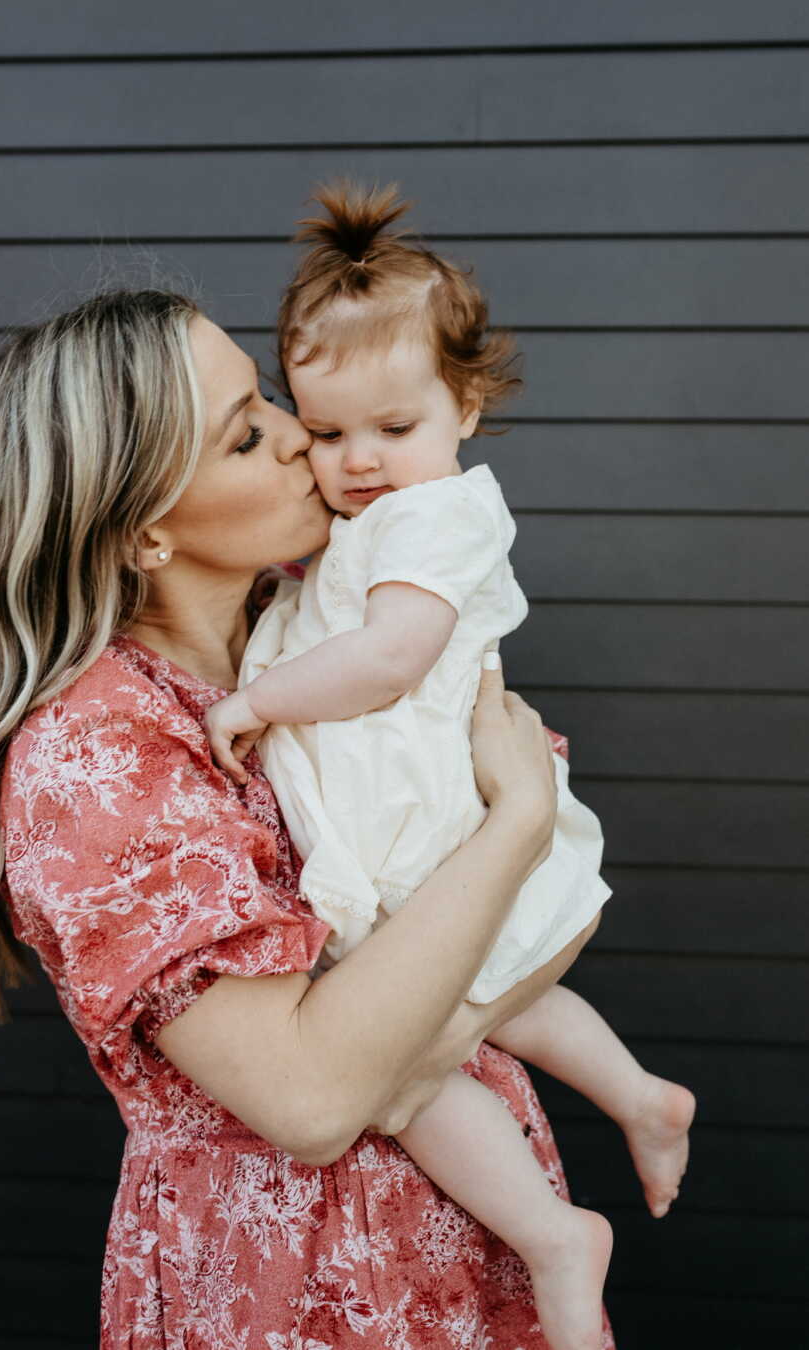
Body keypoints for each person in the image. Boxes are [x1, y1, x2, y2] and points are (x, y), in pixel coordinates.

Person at [0, 286, 614, 1349]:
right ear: (145, 528)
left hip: (479, 1245)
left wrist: (515, 861)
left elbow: (555, 912)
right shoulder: (97, 753)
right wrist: (513, 825)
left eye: (273, 401)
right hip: (300, 1293)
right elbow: (315, 1098)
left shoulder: (326, 631)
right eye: (250, 434)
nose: (306, 442)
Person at [202, 182, 695, 1350]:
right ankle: (634, 1100)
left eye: (393, 428)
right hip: (401, 819)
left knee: (413, 1074)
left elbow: (389, 658)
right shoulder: (368, 520)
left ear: (465, 407)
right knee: (488, 1020)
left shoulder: (441, 520)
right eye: (326, 434)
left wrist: (260, 697)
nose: (358, 461)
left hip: (417, 820)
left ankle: (556, 1233)